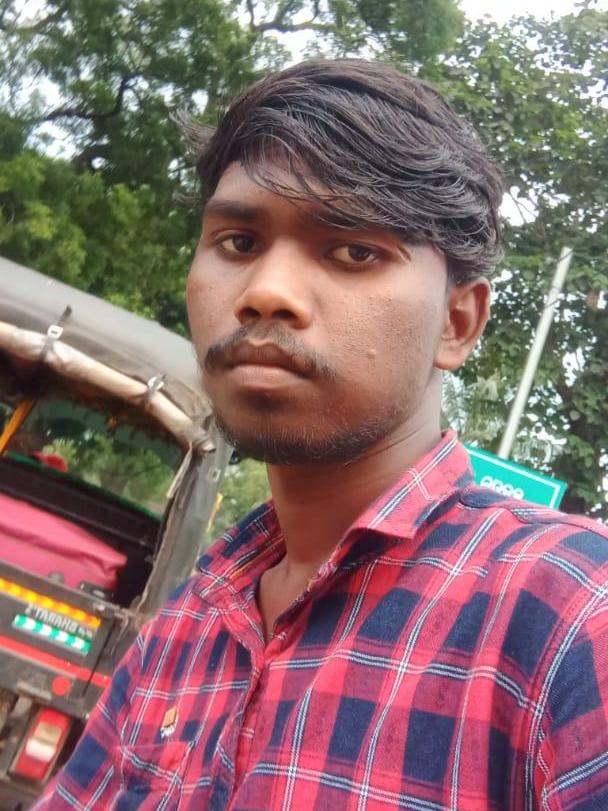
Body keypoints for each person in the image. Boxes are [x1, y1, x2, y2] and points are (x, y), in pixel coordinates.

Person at [34, 58, 608, 811]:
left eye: (354, 250)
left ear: (457, 322)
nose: (265, 292)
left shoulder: (573, 616)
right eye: (238, 242)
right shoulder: (189, 623)